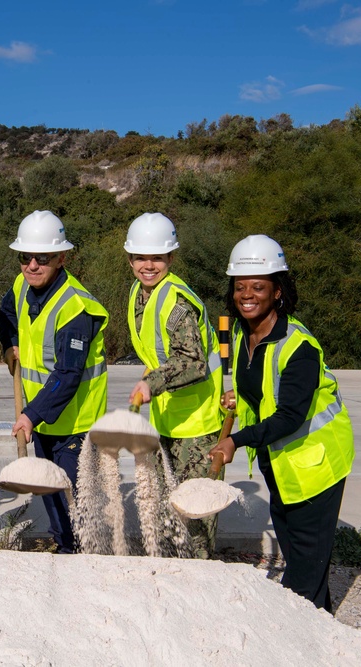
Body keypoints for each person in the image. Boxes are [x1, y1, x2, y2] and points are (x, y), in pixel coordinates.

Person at [210, 235, 353, 612]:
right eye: (240, 287)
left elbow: (290, 415)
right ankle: (315, 618)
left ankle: (304, 631)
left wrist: (235, 441)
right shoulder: (243, 334)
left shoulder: (299, 347)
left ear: (277, 291)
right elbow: (261, 389)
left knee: (303, 569)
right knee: (297, 551)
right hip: (280, 463)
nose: (247, 294)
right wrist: (237, 400)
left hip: (315, 465)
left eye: (258, 286)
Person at [0, 211, 108, 554]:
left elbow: (68, 374)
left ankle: (83, 560)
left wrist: (30, 414)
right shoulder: (22, 285)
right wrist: (9, 344)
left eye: (42, 258)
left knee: (76, 506)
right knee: (53, 499)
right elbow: (6, 314)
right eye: (24, 257)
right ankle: (64, 550)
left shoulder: (75, 308)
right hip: (45, 420)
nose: (32, 265)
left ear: (61, 257)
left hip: (76, 426)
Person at [124, 212, 224, 559]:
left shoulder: (176, 301)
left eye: (157, 258)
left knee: (194, 516)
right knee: (167, 512)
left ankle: (201, 580)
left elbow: (194, 361)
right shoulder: (140, 294)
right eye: (140, 257)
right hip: (167, 420)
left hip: (196, 426)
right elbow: (160, 353)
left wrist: (153, 381)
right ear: (130, 258)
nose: (148, 265)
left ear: (171, 258)